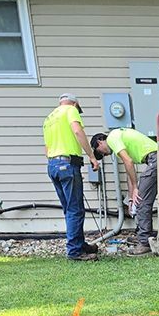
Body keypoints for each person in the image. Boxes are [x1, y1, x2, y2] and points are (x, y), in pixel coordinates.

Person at [90, 128, 159, 255]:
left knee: (142, 202)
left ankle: (144, 243)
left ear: (100, 142)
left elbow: (129, 162)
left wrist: (136, 188)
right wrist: (131, 197)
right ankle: (143, 237)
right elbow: (129, 171)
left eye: (101, 152)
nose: (105, 155)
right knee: (140, 200)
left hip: (157, 160)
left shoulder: (112, 138)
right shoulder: (119, 138)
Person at [42, 94, 100, 261]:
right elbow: (77, 131)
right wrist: (91, 156)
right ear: (75, 104)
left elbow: (47, 149)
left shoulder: (49, 119)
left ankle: (79, 244)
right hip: (67, 164)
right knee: (75, 209)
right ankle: (75, 251)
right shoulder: (70, 110)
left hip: (53, 165)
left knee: (69, 209)